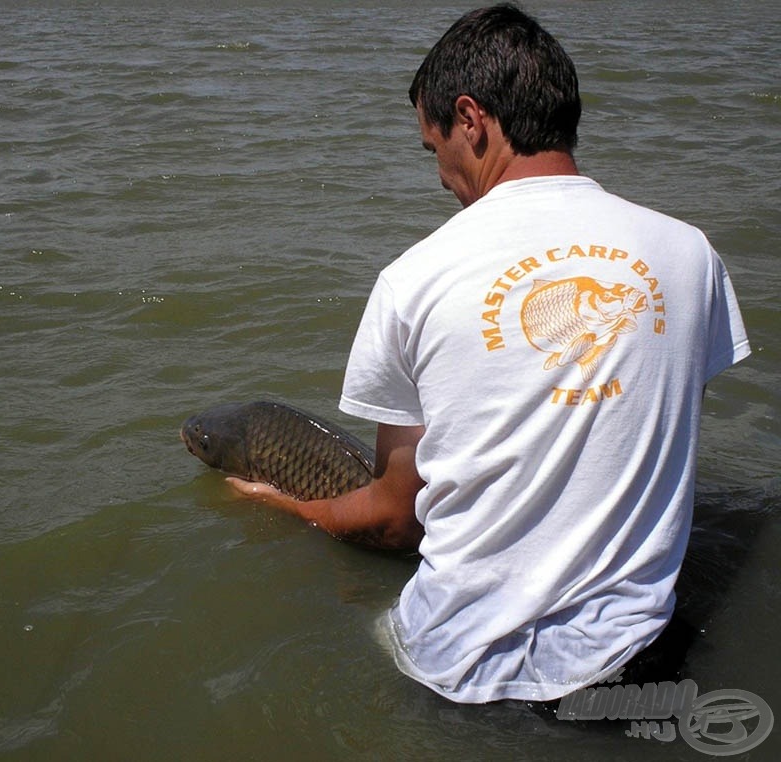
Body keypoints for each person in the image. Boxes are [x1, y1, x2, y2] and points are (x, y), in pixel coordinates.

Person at [228, 4, 750, 704]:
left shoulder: (414, 279)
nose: (440, 174)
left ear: (471, 120)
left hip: (461, 674)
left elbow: (393, 519)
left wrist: (282, 508)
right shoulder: (689, 254)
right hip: (640, 661)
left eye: (432, 146)